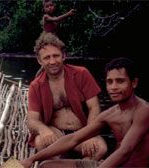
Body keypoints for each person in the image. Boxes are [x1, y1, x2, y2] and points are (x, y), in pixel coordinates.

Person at [21, 57, 149, 168]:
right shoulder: (110, 114)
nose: (113, 87)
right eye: (109, 82)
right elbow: (73, 139)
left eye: (120, 81)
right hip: (108, 165)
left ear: (134, 83)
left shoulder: (144, 111)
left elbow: (125, 151)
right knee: (46, 166)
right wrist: (31, 159)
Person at [26, 33, 107, 162]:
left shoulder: (81, 74)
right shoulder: (36, 86)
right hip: (56, 133)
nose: (52, 61)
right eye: (47, 57)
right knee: (40, 142)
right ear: (39, 60)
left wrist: (88, 134)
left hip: (82, 131)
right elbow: (31, 120)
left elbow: (94, 107)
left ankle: (79, 163)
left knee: (101, 148)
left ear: (64, 55)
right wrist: (44, 130)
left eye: (56, 56)